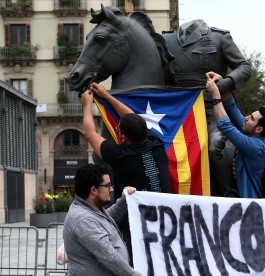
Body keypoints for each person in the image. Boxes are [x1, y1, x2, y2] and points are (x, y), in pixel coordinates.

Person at [81, 83, 170, 263]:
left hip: (133, 227)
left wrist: (86, 104)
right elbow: (133, 118)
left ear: (122, 137)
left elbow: (89, 133)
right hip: (163, 222)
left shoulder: (121, 155)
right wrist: (106, 96)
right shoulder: (157, 144)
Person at [163, 19, 252, 197]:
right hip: (177, 109)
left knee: (214, 147)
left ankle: (229, 194)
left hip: (210, 107)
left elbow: (244, 67)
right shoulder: (166, 40)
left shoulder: (219, 38)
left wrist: (224, 84)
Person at [205, 72, 265, 198]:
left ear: (259, 129)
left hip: (248, 206)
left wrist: (215, 94)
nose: (246, 117)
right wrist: (221, 82)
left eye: (252, 118)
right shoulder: (251, 132)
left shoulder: (257, 147)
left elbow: (225, 125)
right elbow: (231, 107)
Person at [63, 164, 142, 276]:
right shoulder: (82, 219)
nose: (111, 189)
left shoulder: (91, 210)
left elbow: (106, 220)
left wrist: (123, 201)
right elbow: (108, 256)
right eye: (107, 185)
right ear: (94, 190)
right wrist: (132, 274)